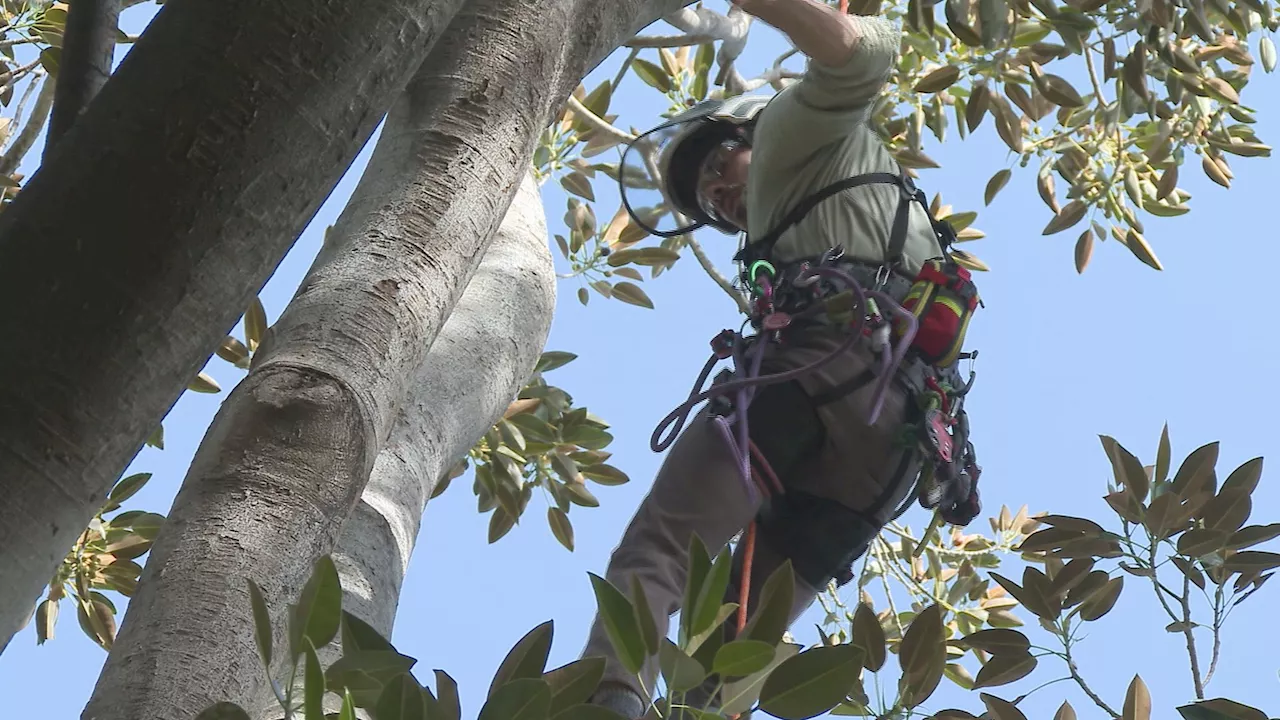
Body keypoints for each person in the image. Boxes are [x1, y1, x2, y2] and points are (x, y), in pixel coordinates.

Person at [581, 0, 983, 717]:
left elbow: (860, 55)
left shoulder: (794, 134)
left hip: (818, 375)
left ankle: (603, 705)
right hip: (891, 453)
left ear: (744, 131)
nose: (716, 194)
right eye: (706, 199)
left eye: (714, 166)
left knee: (660, 549)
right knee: (724, 654)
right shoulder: (803, 210)